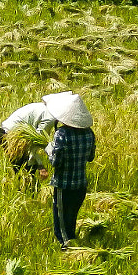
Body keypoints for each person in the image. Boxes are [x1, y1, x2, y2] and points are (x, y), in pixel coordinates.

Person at [43, 92, 96, 248]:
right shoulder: (89, 133)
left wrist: (49, 150)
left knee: (61, 223)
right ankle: (72, 243)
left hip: (64, 185)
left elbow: (56, 162)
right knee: (71, 218)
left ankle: (68, 249)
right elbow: (90, 157)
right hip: (81, 185)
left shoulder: (61, 134)